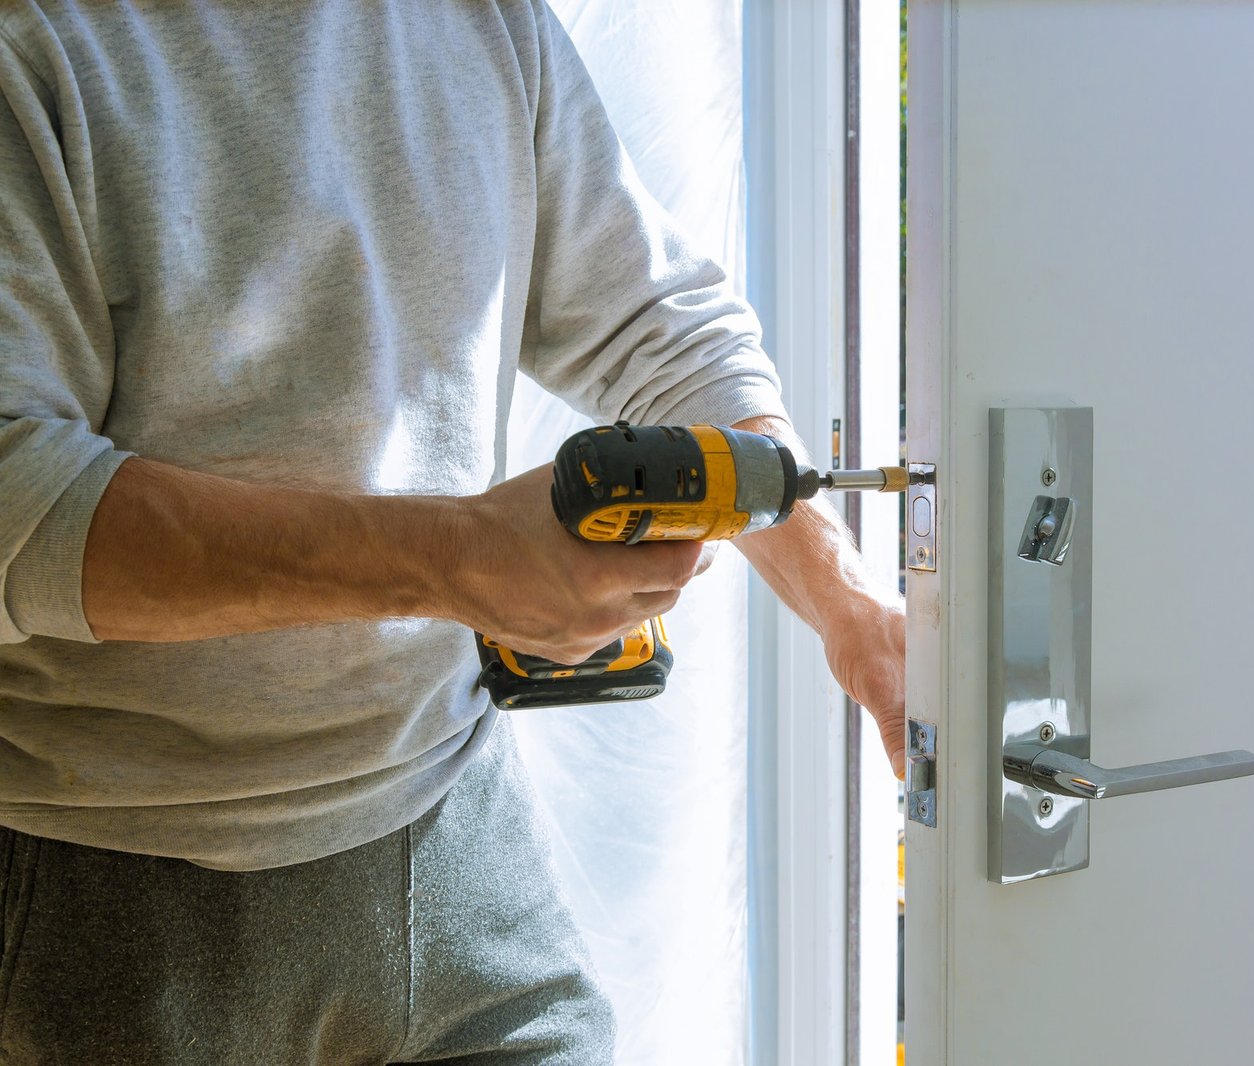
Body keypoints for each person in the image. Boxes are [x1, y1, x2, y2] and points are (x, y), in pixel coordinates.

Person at [0, 2, 905, 1062]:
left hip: (455, 839)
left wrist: (853, 614)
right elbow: (20, 496)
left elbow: (658, 329)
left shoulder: (484, 22)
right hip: (117, 888)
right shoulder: (40, 44)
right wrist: (461, 557)